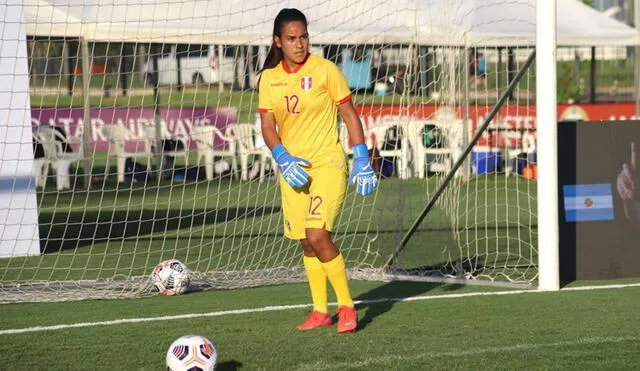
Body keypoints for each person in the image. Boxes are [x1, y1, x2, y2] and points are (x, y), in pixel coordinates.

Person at [258, 8, 378, 333]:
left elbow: (350, 115)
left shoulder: (326, 70)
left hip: (328, 164)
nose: (300, 44)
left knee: (318, 234)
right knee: (306, 242)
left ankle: (347, 307)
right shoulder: (269, 78)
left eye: (304, 37)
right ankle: (320, 311)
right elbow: (267, 126)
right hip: (293, 169)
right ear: (278, 42)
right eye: (292, 38)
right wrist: (282, 156)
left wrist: (362, 158)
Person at [616, 141, 640, 228]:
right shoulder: (621, 179)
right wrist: (627, 191)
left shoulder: (631, 171)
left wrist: (633, 147)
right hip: (627, 197)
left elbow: (633, 160)